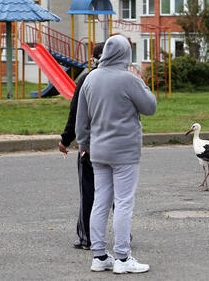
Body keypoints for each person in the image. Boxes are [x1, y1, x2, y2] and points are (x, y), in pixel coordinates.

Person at [75, 34, 157, 274]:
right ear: (125, 54)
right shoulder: (128, 80)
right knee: (123, 203)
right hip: (125, 152)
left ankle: (99, 255)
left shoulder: (90, 79)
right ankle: (122, 257)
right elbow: (150, 107)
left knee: (100, 201)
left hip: (97, 151)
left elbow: (82, 120)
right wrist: (141, 81)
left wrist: (83, 144)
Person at [58, 43, 104, 250]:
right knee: (116, 195)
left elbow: (76, 114)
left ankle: (87, 237)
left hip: (91, 145)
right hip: (115, 146)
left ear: (93, 58)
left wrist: (66, 140)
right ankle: (124, 234)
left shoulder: (86, 79)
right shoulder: (124, 79)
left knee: (88, 192)